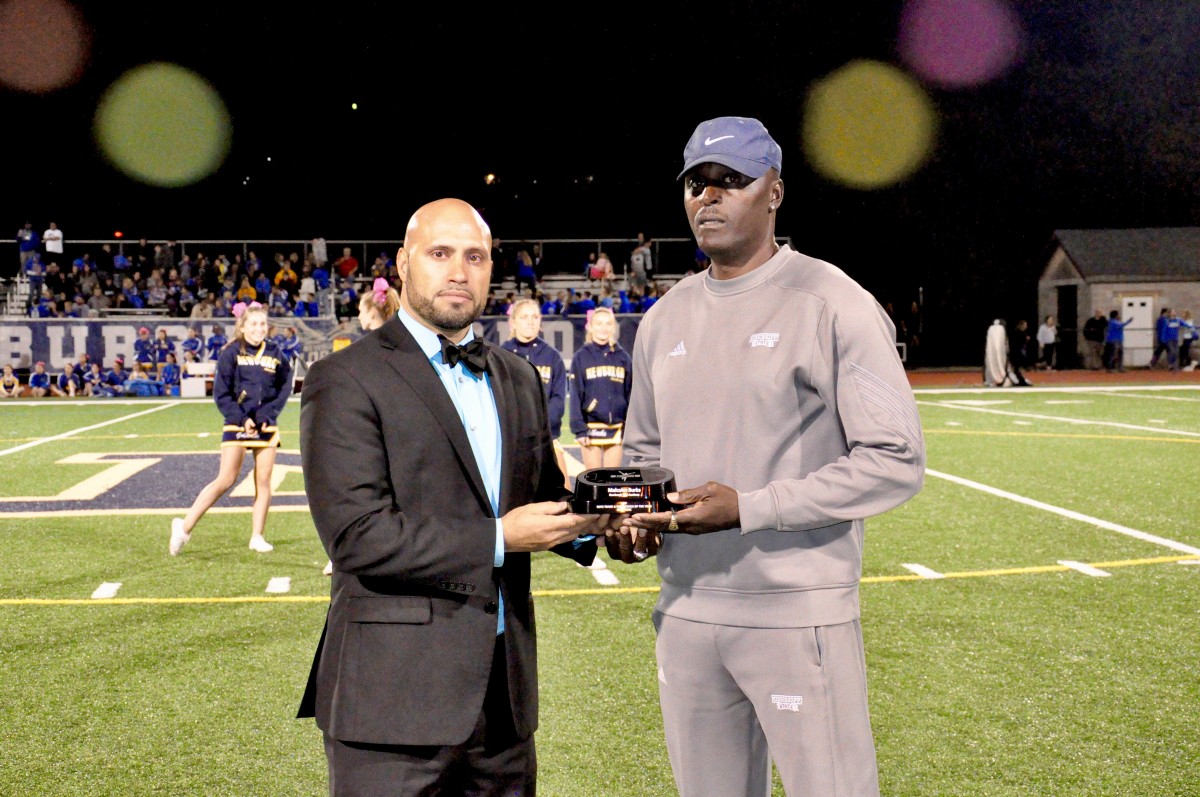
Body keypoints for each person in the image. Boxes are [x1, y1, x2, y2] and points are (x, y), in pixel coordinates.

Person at [608, 116, 926, 797]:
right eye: (697, 183)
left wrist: (751, 508)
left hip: (795, 615)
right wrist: (632, 524)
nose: (710, 197)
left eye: (732, 181)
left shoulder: (832, 301)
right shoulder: (663, 319)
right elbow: (643, 453)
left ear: (774, 192)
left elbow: (896, 457)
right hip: (686, 611)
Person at [296, 198, 603, 796]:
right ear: (404, 264)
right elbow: (358, 536)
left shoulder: (517, 376)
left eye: (476, 256)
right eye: (440, 254)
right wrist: (500, 538)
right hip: (391, 703)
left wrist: (604, 520)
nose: (459, 271)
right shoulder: (344, 377)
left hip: (503, 703)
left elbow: (538, 495)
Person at [169, 302, 292, 556]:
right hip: (238, 422)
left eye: (262, 324)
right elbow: (221, 394)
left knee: (264, 481)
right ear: (243, 326)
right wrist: (240, 417)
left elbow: (284, 387)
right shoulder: (231, 353)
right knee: (226, 479)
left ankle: (257, 536)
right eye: (254, 324)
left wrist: (269, 414)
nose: (259, 329)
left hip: (266, 424)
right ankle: (184, 527)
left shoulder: (276, 353)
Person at [501, 298, 570, 488]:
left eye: (535, 317)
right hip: (514, 441)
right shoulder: (501, 355)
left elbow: (558, 399)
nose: (530, 321)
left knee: (563, 494)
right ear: (513, 322)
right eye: (524, 317)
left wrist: (541, 426)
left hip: (548, 438)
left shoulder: (552, 356)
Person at [569, 306, 632, 470]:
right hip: (591, 428)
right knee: (593, 481)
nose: (604, 328)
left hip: (617, 427)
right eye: (599, 323)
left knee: (612, 481)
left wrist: (629, 426)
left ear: (613, 327)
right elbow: (575, 395)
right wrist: (579, 430)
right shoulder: (581, 357)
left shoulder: (622, 357)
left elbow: (631, 394)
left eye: (608, 323)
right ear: (590, 326)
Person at [983, 318, 1010, 387]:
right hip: (998, 352)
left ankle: (996, 379)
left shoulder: (991, 329)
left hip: (995, 352)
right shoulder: (1000, 329)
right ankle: (1000, 378)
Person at [1007, 319, 1034, 386]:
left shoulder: (1018, 333)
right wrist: (1025, 339)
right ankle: (1020, 381)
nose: (1026, 326)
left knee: (1016, 369)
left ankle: (1020, 381)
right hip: (1017, 353)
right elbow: (1019, 343)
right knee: (1016, 369)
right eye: (1025, 325)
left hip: (1016, 353)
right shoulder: (1019, 333)